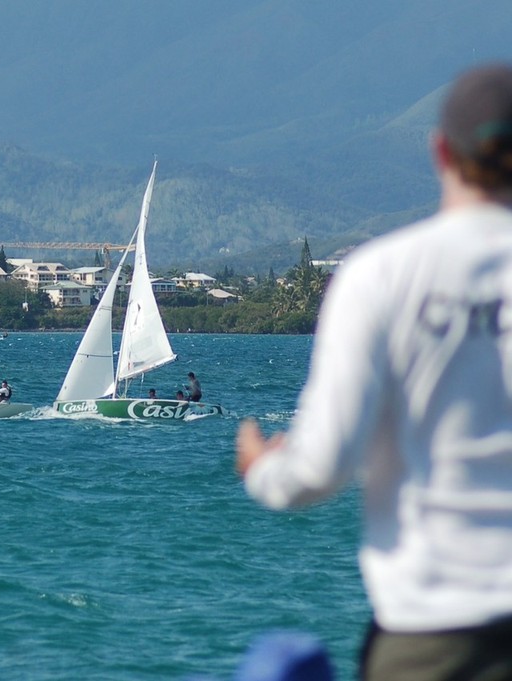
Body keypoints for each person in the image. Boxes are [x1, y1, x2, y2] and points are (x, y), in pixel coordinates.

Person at [236, 63, 512, 681]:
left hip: (433, 639)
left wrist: (262, 470)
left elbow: (320, 468)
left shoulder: (380, 276)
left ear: (440, 151)